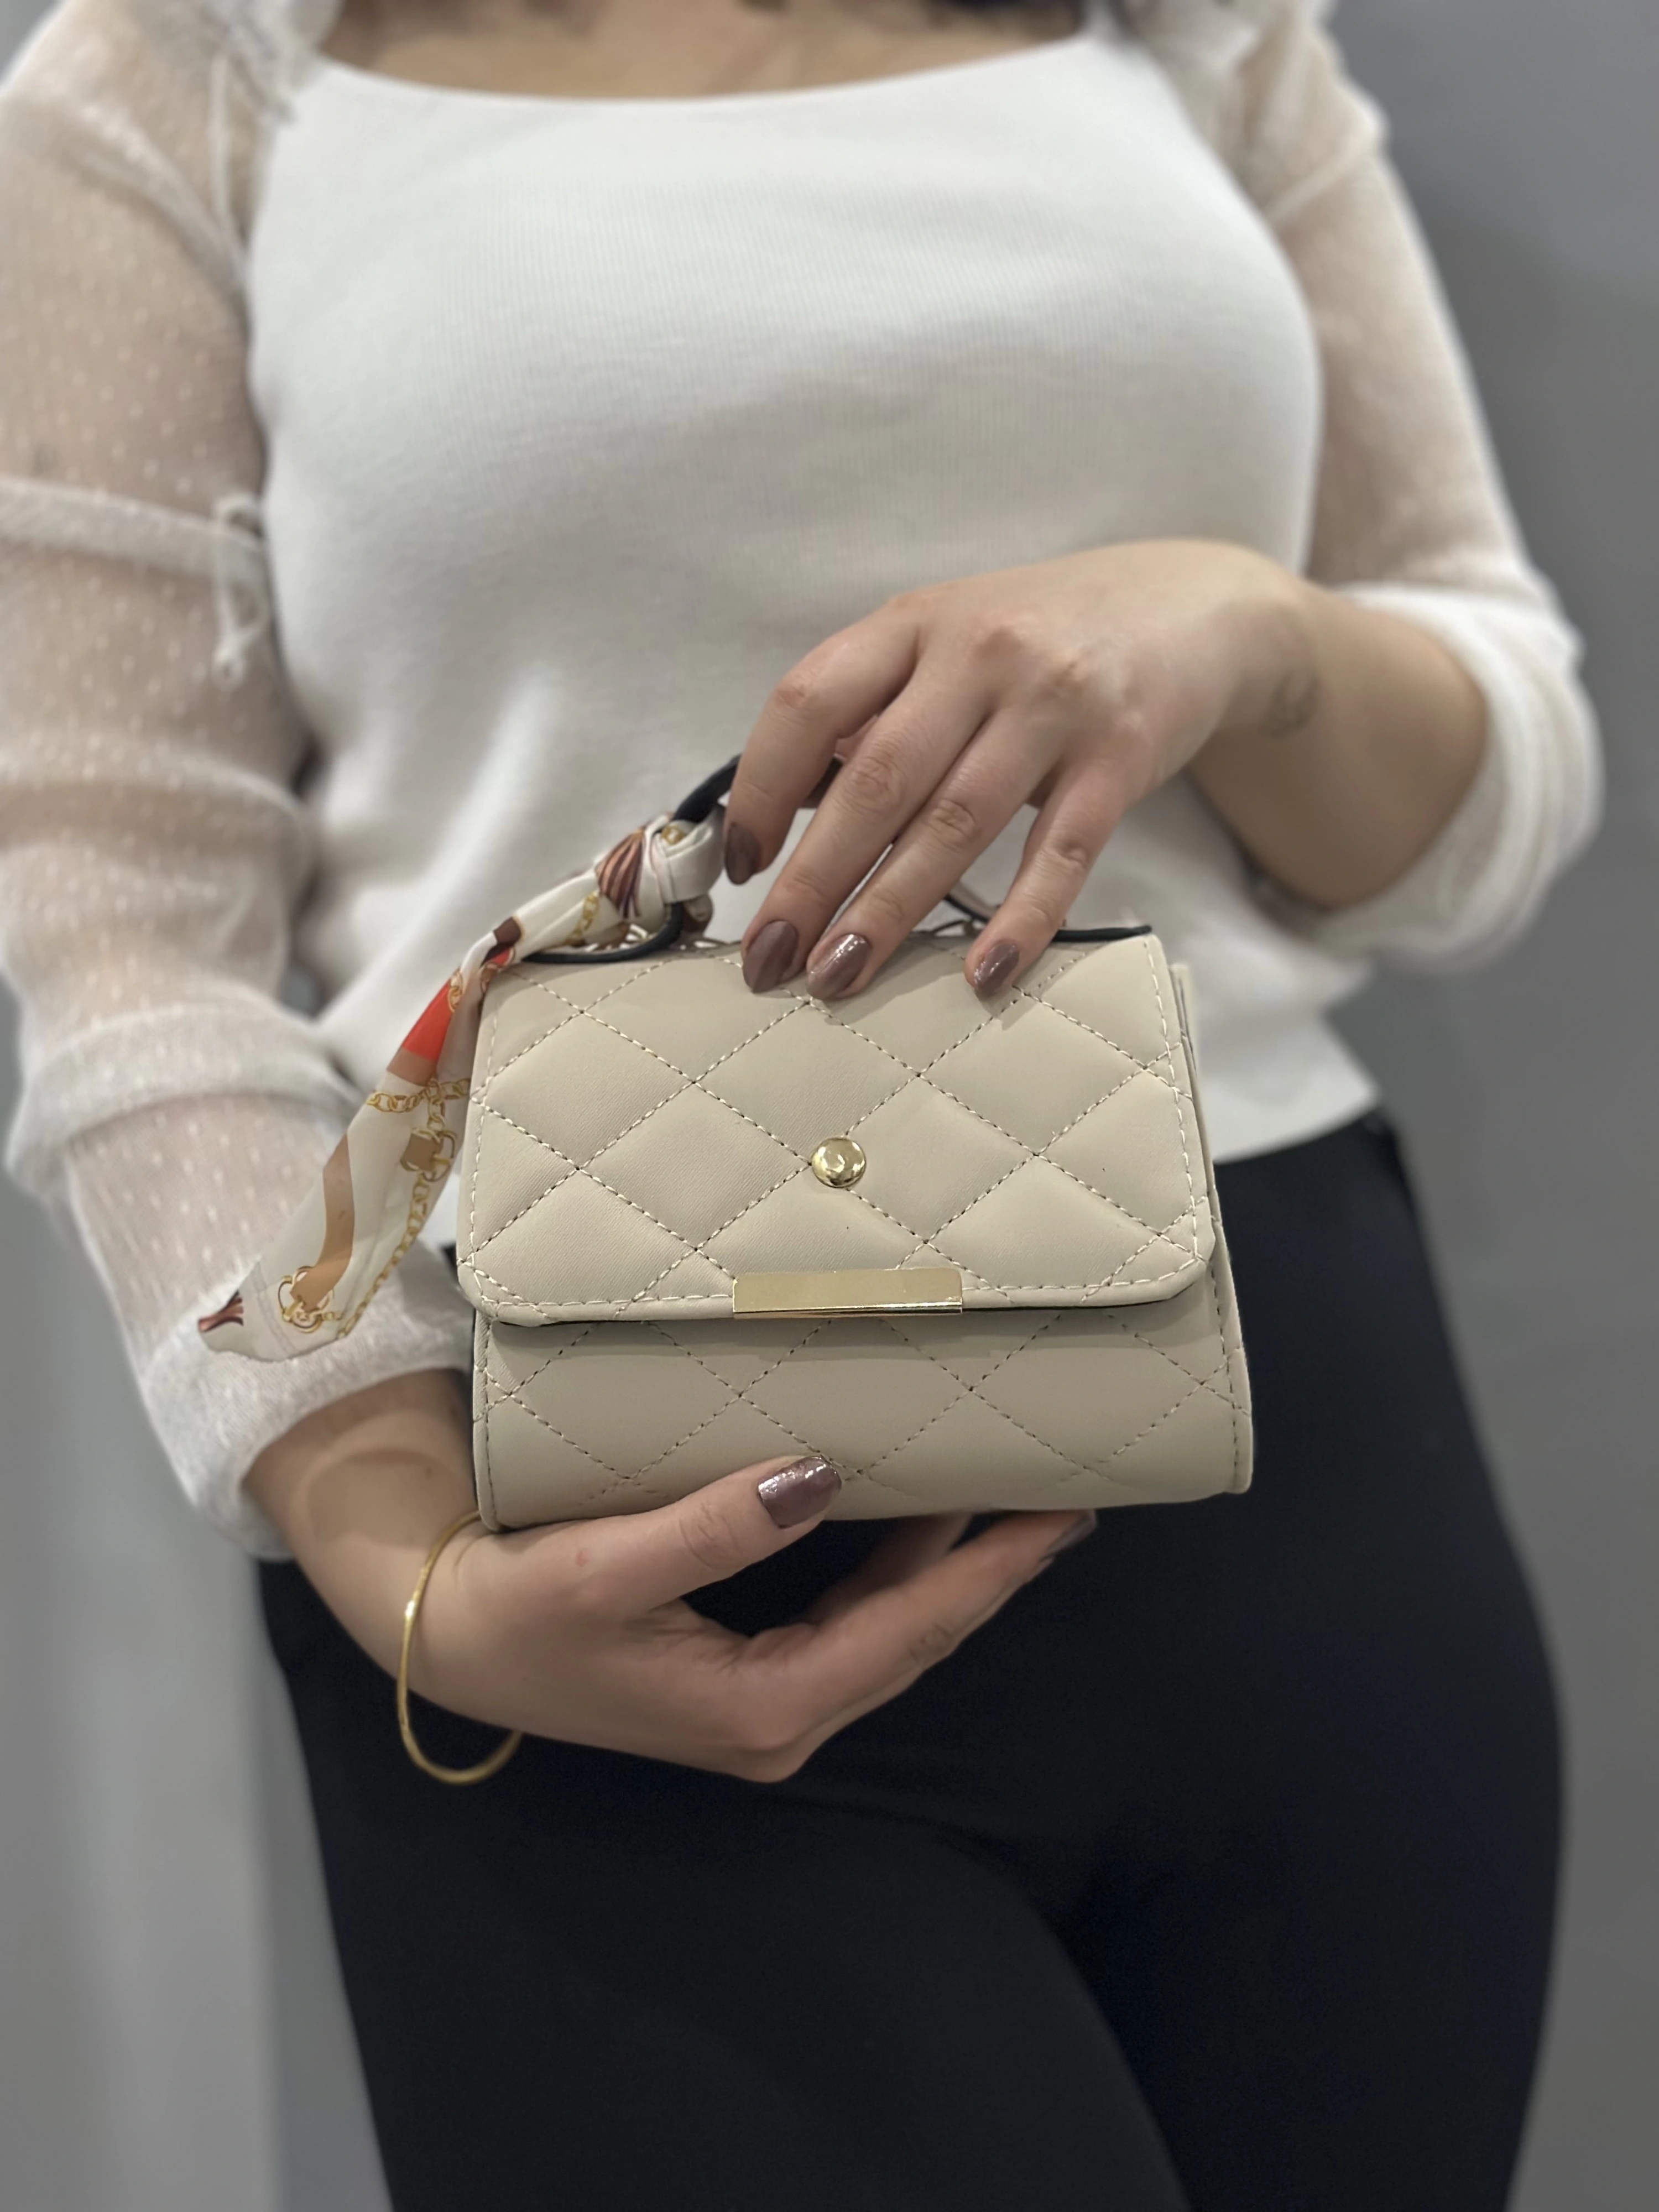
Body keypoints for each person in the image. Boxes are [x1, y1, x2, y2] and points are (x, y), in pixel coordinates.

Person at [0, 0, 1601, 2205]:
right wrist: (403, 1564)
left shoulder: (1192, 25)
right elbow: (115, 926)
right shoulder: (194, 69)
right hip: (572, 1518)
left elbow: (1482, 792)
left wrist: (1240, 628)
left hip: (1291, 1460)